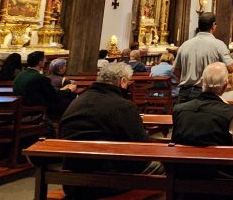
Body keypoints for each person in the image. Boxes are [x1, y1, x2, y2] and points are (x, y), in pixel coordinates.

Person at [60, 62, 161, 199]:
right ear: (123, 81)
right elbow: (142, 147)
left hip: (72, 179)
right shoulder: (123, 106)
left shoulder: (78, 101)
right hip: (107, 180)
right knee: (163, 168)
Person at [172, 62, 233, 180]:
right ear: (225, 86)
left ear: (202, 82)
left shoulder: (179, 110)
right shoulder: (232, 114)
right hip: (223, 180)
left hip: (184, 176)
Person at [174, 13, 233, 103]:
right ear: (213, 25)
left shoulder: (184, 45)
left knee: (184, 112)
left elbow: (176, 70)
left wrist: (188, 79)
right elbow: (231, 67)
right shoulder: (218, 45)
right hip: (206, 93)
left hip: (185, 92)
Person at [13, 51, 76, 121]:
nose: (45, 61)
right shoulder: (40, 77)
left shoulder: (20, 75)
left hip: (20, 110)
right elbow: (54, 95)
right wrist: (69, 90)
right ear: (40, 62)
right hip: (35, 111)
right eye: (44, 59)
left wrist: (62, 90)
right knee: (70, 102)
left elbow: (45, 91)